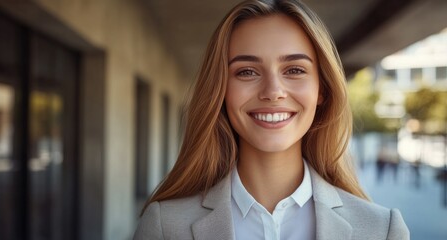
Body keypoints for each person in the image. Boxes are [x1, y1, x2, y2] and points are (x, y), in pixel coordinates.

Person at [134, 0, 410, 239]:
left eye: (293, 69)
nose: (273, 92)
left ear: (322, 90)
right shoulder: (165, 226)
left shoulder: (382, 230)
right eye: (247, 72)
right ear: (221, 90)